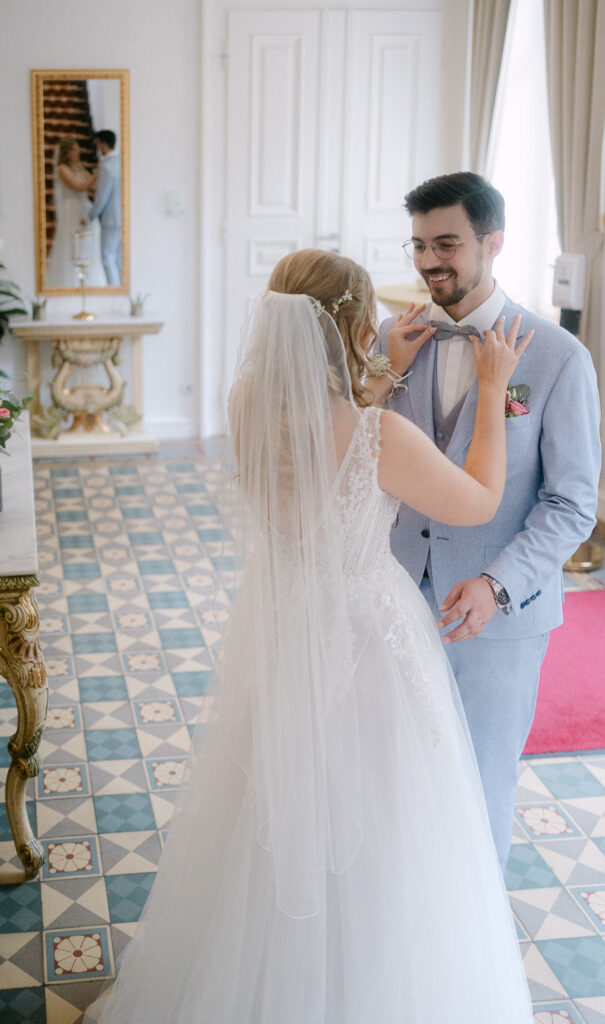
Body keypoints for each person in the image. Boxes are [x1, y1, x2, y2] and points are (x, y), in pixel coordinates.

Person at [85, 248, 535, 1023]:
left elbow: (320, 428)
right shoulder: (380, 437)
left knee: (278, 807)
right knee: (378, 822)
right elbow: (478, 502)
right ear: (356, 330)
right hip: (367, 644)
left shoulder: (245, 409)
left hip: (288, 632)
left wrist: (382, 377)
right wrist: (491, 389)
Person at [374, 172, 601, 868]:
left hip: (497, 617)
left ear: (492, 242)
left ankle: (473, 931)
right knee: (389, 774)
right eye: (418, 245)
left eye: (446, 244)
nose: (428, 261)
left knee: (480, 780)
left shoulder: (557, 357)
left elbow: (571, 504)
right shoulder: (393, 338)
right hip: (392, 597)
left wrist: (496, 585)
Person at [45, 137, 106, 288]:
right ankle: (70, 280)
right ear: (66, 152)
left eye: (77, 149)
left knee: (87, 241)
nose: (77, 152)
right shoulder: (62, 169)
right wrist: (95, 175)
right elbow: (77, 187)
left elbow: (91, 185)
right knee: (71, 243)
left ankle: (88, 279)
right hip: (72, 208)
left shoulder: (79, 167)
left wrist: (96, 179)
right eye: (73, 149)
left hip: (84, 207)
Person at [88, 129, 122, 285]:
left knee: (108, 257)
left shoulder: (106, 166)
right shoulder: (122, 162)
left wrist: (91, 215)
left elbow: (102, 195)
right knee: (119, 259)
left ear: (103, 144)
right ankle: (121, 289)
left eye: (97, 144)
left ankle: (114, 292)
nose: (97, 148)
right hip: (123, 217)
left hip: (111, 218)